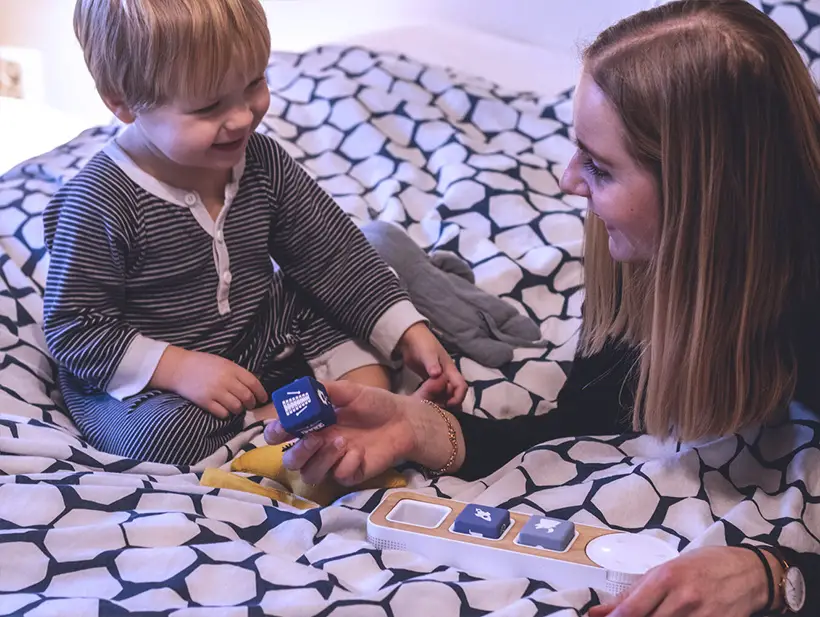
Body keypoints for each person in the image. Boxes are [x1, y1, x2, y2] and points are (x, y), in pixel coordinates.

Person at [263, 1, 820, 615]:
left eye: (602, 169)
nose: (566, 181)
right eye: (577, 149)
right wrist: (420, 429)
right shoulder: (646, 277)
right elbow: (583, 420)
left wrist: (776, 575)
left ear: (706, 199)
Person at [42, 0, 466, 467]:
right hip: (156, 373)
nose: (243, 117)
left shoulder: (262, 163)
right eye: (208, 107)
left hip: (256, 331)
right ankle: (276, 425)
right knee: (156, 437)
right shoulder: (98, 203)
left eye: (254, 84)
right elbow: (74, 328)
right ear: (121, 101)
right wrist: (180, 369)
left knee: (329, 297)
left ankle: (355, 404)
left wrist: (409, 330)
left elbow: (333, 254)